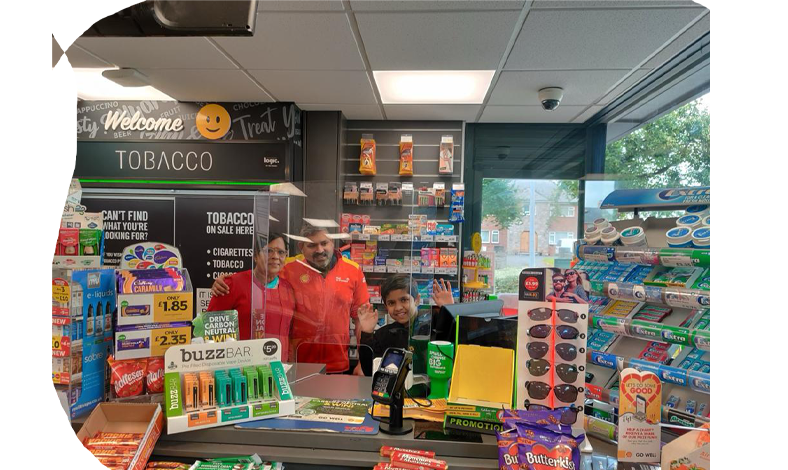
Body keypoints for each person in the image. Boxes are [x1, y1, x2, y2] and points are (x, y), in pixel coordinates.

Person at [207, 233, 296, 359]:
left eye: (281, 252)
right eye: (268, 251)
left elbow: (290, 333)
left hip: (279, 366)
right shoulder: (231, 284)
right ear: (255, 256)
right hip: (241, 366)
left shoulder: (288, 289)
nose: (275, 257)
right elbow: (212, 330)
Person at [356, 275, 454, 376]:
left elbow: (454, 348)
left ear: (417, 300)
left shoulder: (434, 323)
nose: (398, 307)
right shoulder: (383, 335)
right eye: (391, 303)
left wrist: (450, 312)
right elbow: (369, 371)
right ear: (386, 306)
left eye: (404, 300)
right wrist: (367, 333)